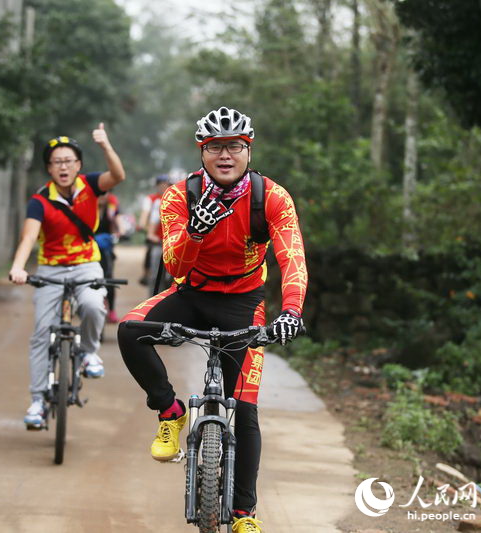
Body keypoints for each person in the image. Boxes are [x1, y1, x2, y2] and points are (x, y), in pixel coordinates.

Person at [117, 106, 307, 533]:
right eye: (216, 147)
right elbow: (175, 265)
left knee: (247, 408)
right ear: (202, 152)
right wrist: (195, 232)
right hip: (193, 292)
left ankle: (244, 515)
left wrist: (291, 310)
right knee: (130, 330)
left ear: (248, 150)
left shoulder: (270, 196)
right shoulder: (178, 196)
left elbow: (292, 257)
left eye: (234, 146)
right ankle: (169, 411)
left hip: (245, 301)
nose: (226, 154)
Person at [9, 123, 125, 429]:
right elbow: (28, 238)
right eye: (57, 162)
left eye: (69, 161)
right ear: (49, 167)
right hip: (50, 269)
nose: (63, 167)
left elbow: (118, 176)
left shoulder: (90, 186)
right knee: (41, 332)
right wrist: (19, 267)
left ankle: (88, 353)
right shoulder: (40, 201)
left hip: (87, 266)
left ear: (79, 166)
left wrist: (105, 145)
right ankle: (37, 400)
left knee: (91, 304)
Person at [137, 174, 170, 287]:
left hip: (171, 240)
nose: (163, 187)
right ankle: (146, 273)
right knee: (151, 255)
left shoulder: (175, 198)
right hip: (156, 238)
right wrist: (145, 228)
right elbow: (144, 216)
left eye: (165, 184)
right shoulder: (152, 199)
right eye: (160, 185)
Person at [95, 192, 121, 323]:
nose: (101, 197)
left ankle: (112, 310)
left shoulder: (111, 210)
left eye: (104, 194)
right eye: (99, 193)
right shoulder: (89, 209)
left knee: (109, 279)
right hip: (89, 251)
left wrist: (118, 233)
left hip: (106, 251)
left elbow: (117, 225)